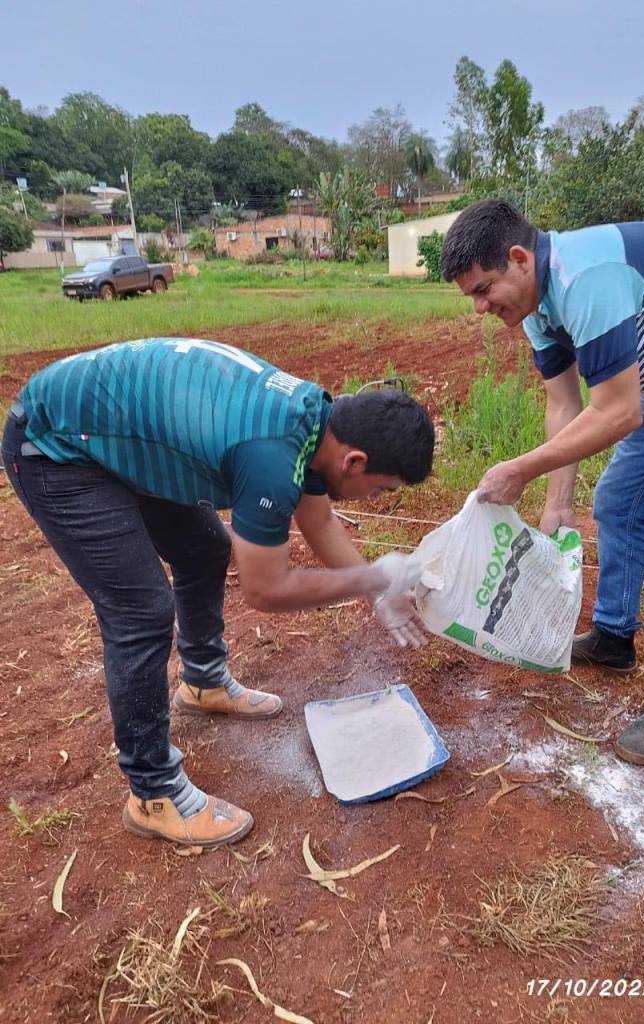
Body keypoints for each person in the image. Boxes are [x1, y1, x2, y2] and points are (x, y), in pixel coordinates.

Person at [3, 338, 435, 846]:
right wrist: (371, 578)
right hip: (58, 445)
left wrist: (377, 594)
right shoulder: (271, 453)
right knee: (141, 611)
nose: (377, 500)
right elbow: (266, 588)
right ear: (355, 462)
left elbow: (318, 522)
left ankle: (203, 682)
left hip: (115, 430)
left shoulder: (318, 425)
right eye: (383, 490)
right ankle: (153, 793)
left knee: (206, 547)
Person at [442, 199, 644, 765]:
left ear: (520, 258)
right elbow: (564, 401)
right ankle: (614, 639)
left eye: (483, 289)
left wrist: (521, 468)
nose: (479, 307)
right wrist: (556, 503)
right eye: (471, 295)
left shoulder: (586, 278)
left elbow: (617, 413)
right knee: (616, 503)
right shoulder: (536, 305)